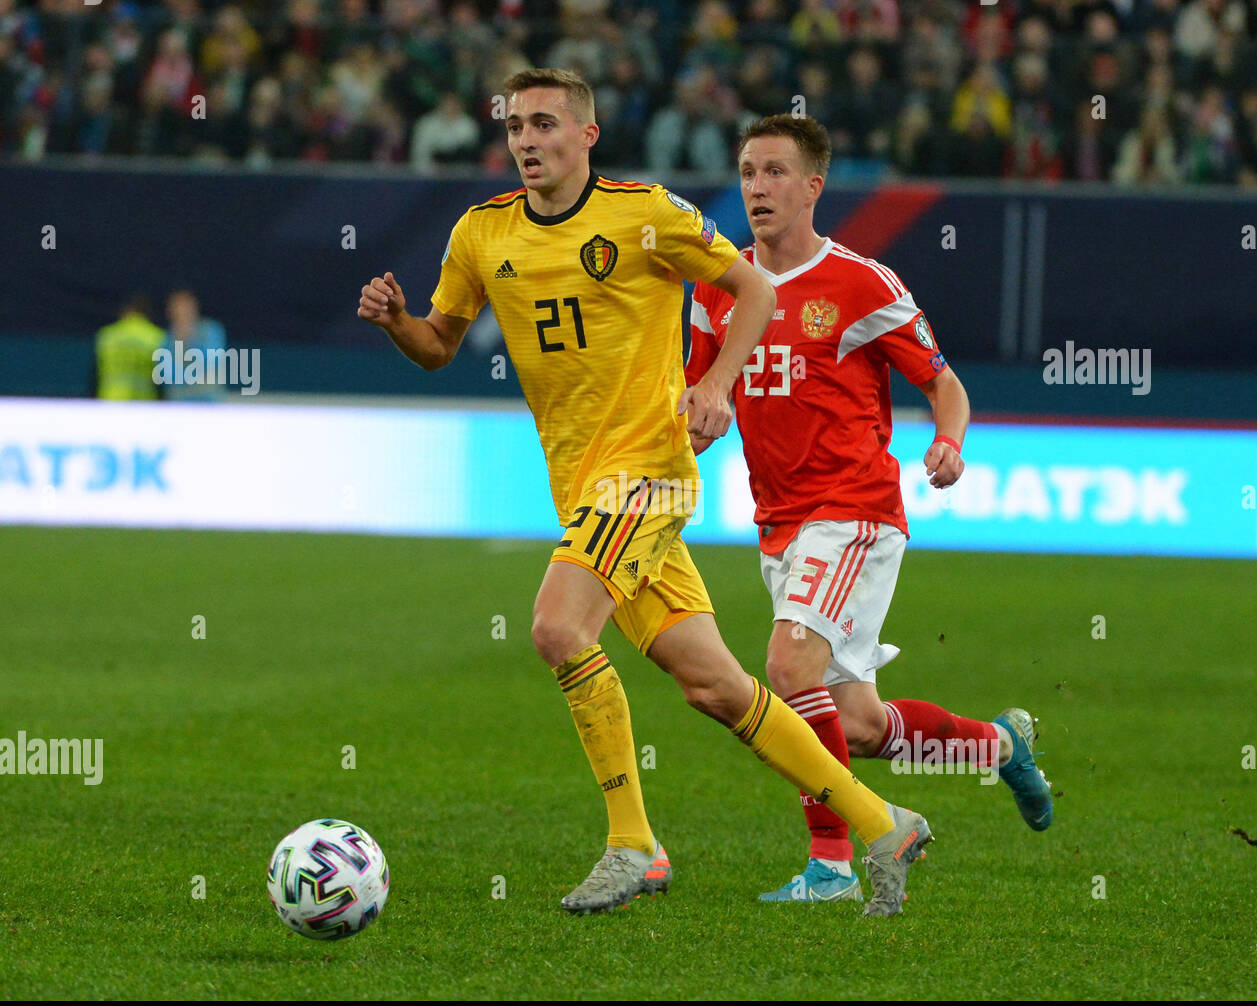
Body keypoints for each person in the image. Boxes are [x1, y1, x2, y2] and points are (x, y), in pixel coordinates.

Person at [358, 69, 931, 917]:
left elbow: (756, 290)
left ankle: (633, 844)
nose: (525, 139)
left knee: (557, 627)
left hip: (649, 474)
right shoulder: (481, 234)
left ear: (586, 136)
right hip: (582, 487)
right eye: (515, 125)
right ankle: (883, 820)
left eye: (545, 123)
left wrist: (715, 388)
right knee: (719, 688)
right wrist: (398, 323)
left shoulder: (646, 216)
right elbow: (441, 342)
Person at [686, 115, 1053, 904]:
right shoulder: (717, 291)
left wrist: (949, 443)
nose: (757, 187)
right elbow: (696, 396)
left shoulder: (862, 282)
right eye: (748, 171)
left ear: (814, 186)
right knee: (854, 724)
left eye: (776, 172)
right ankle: (996, 748)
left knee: (787, 670)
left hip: (854, 511)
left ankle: (833, 864)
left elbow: (944, 383)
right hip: (779, 523)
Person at [94, 294, 165, 400]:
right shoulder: (156, 336)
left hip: (110, 399)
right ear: (148, 314)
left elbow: (94, 374)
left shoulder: (106, 335)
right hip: (144, 402)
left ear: (124, 311)